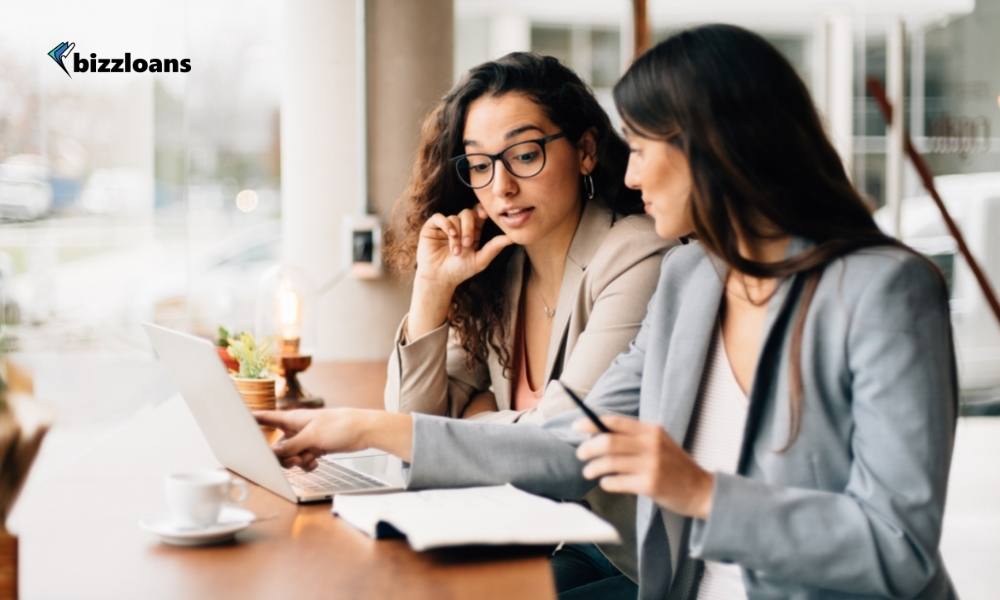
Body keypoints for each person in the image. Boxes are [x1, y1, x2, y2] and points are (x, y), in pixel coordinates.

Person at [257, 24, 958, 599]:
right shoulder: (693, 279)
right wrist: (365, 427)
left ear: (716, 148)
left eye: (645, 148)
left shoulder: (884, 290)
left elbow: (897, 549)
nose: (630, 174)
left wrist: (700, 491)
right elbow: (570, 444)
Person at [379, 52, 674, 589]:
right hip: (537, 536)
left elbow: (561, 449)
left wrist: (470, 420)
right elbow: (413, 422)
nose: (502, 187)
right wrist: (432, 289)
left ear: (585, 150)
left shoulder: (635, 254)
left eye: (525, 154)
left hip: (628, 559)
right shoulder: (502, 265)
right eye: (480, 163)